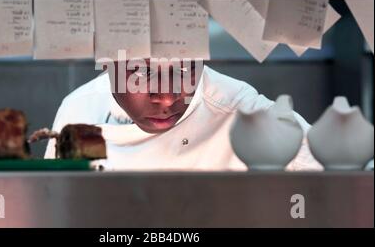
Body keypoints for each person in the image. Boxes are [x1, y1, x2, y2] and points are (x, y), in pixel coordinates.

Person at [45, 58, 322, 171]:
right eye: (142, 73)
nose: (166, 97)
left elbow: (334, 178)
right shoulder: (79, 108)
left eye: (184, 70)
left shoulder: (239, 109)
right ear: (107, 64)